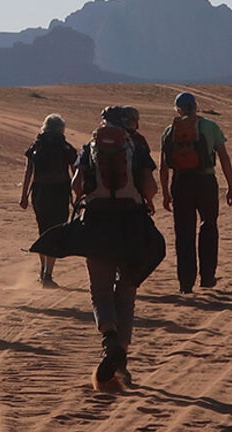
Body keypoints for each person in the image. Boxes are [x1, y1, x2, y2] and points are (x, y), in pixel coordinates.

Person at [34, 108, 163, 388]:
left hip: (96, 225)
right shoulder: (136, 147)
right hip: (132, 225)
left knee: (100, 291)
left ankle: (109, 342)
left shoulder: (89, 148)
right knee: (126, 293)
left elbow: (77, 185)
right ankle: (122, 362)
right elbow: (150, 188)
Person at [158, 92, 232, 294]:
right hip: (206, 181)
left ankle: (185, 282)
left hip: (181, 182)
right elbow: (224, 158)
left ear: (178, 109)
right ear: (195, 106)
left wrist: (166, 193)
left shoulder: (170, 130)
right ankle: (207, 277)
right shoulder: (210, 127)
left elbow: (163, 166)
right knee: (208, 226)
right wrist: (231, 186)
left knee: (184, 232)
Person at [19, 114, 78, 286]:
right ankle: (48, 274)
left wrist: (23, 196)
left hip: (39, 193)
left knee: (43, 230)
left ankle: (43, 270)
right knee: (56, 231)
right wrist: (79, 196)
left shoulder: (37, 145)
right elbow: (76, 174)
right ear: (62, 129)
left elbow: (28, 172)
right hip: (59, 193)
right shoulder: (66, 148)